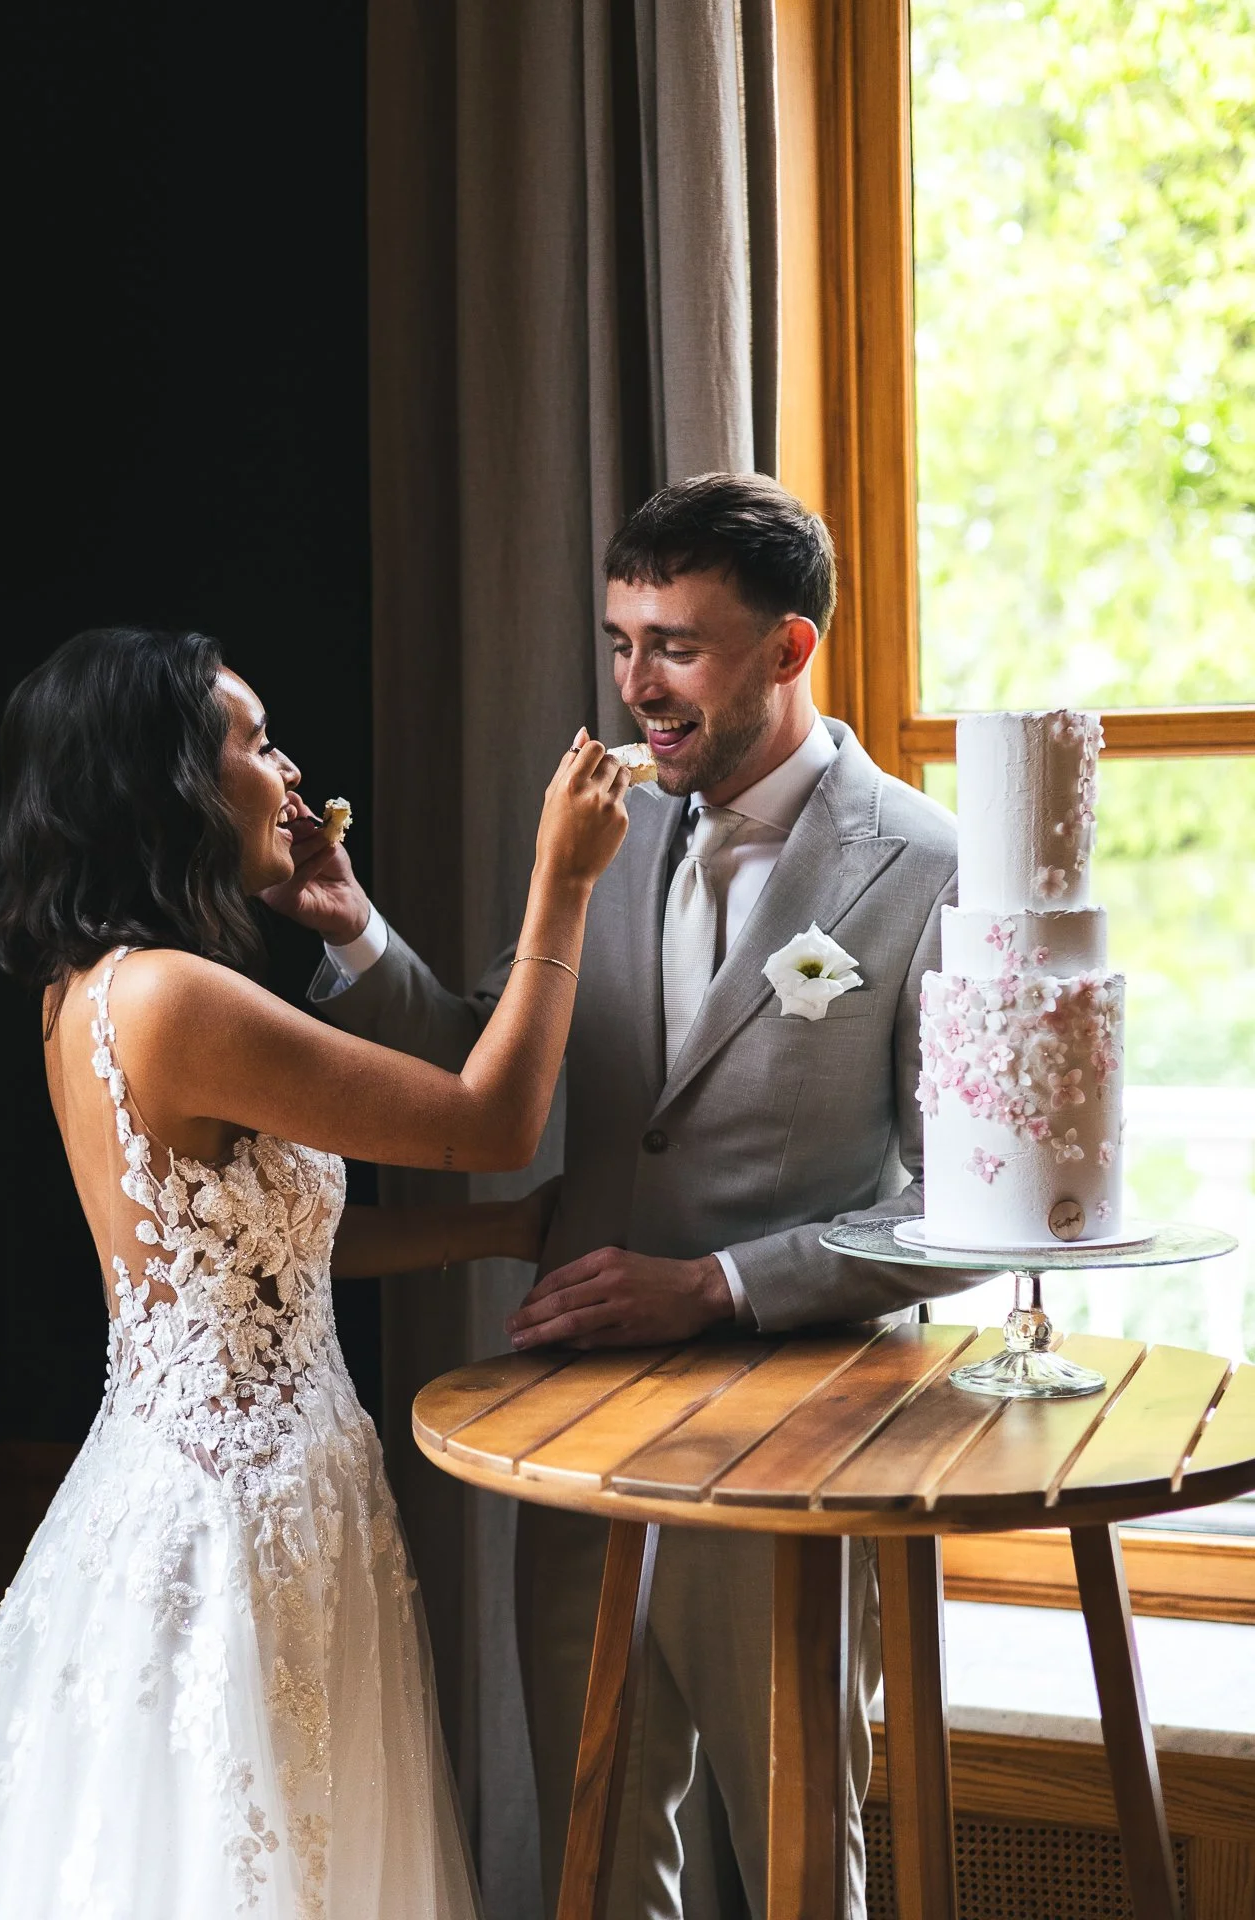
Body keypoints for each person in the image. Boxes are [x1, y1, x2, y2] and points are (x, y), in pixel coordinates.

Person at [0, 626, 631, 1920]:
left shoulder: (89, 989)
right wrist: (564, 881)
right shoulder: (176, 1002)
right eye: (256, 744)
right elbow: (491, 1121)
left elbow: (258, 1265)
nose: (290, 769)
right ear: (172, 786)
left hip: (254, 1486)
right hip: (237, 1517)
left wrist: (496, 1234)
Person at [267, 474, 977, 1920]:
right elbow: (488, 1052)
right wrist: (355, 940)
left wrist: (718, 1285)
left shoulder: (926, 863)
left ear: (788, 651)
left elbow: (963, 1204)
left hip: (797, 1436)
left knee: (796, 1854)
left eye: (678, 646)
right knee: (594, 1840)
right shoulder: (612, 827)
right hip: (576, 1421)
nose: (637, 686)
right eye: (620, 639)